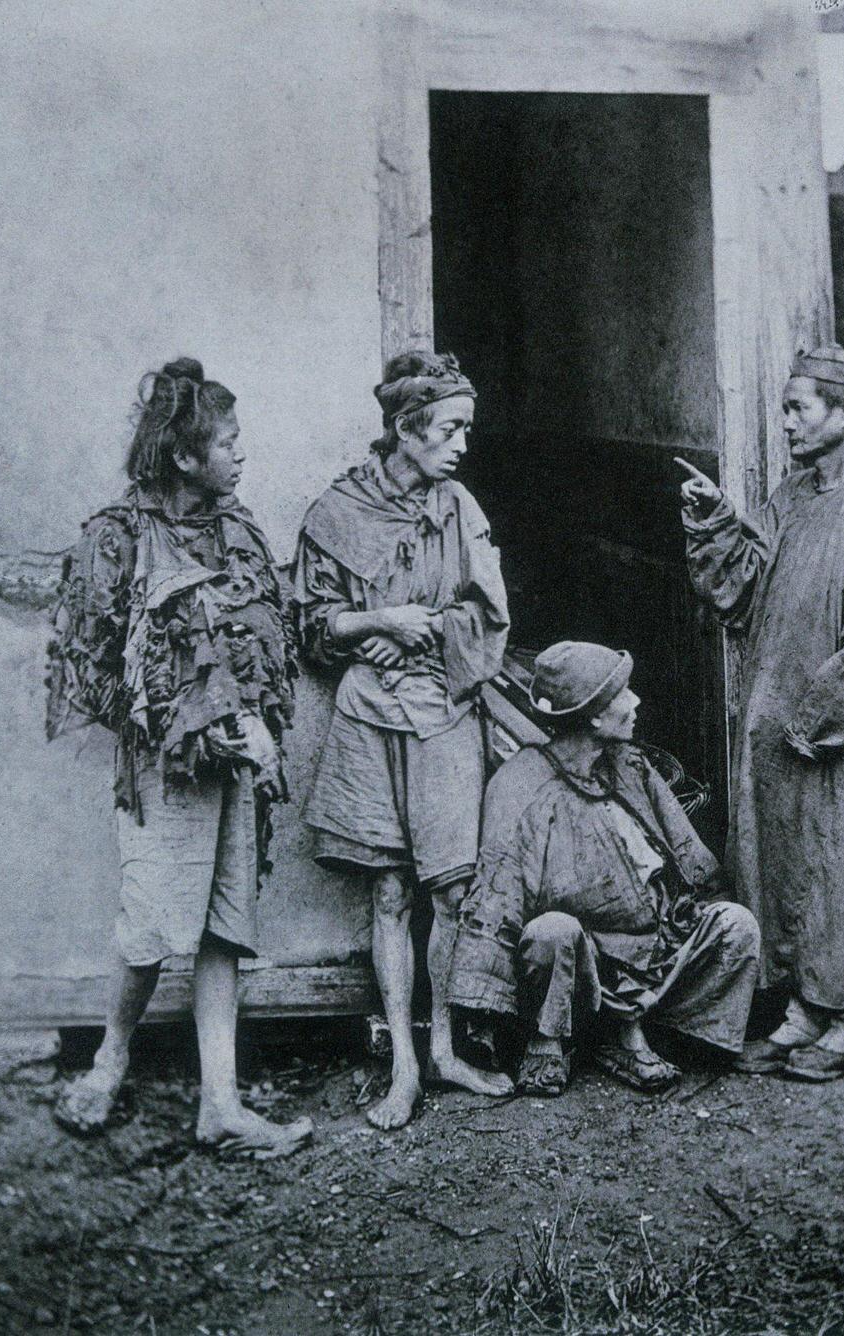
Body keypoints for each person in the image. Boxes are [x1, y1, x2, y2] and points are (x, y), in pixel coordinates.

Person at [45, 357, 313, 1155]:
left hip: (236, 770)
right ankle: (108, 1062)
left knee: (225, 926)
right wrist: (183, 717)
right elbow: (86, 671)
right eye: (227, 443)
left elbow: (270, 644)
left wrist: (249, 723)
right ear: (183, 456)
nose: (241, 456)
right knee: (151, 930)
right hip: (165, 777)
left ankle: (220, 1104)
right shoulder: (117, 540)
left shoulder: (240, 532)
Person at [677, 344, 844, 1082]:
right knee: (795, 858)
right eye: (785, 409)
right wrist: (715, 521)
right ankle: (803, 1009)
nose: (785, 422)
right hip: (789, 722)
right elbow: (747, 587)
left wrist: (821, 715)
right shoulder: (791, 496)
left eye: (799, 408)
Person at [292, 350, 513, 1129]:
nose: (461, 445)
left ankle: (448, 1048)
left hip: (446, 708)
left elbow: (488, 616)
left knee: (449, 889)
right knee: (389, 890)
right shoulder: (335, 514)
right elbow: (312, 625)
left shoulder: (462, 508)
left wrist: (421, 634)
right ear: (403, 430)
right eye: (449, 430)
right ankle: (404, 1068)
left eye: (465, 430)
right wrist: (376, 622)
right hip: (368, 716)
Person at [449, 641, 760, 1097]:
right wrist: (484, 1014)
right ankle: (554, 1036)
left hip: (656, 951)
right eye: (623, 695)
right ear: (594, 716)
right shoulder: (521, 782)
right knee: (551, 932)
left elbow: (687, 855)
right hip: (583, 966)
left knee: (736, 925)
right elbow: (498, 898)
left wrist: (704, 904)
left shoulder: (633, 766)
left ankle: (656, 1033)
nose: (635, 704)